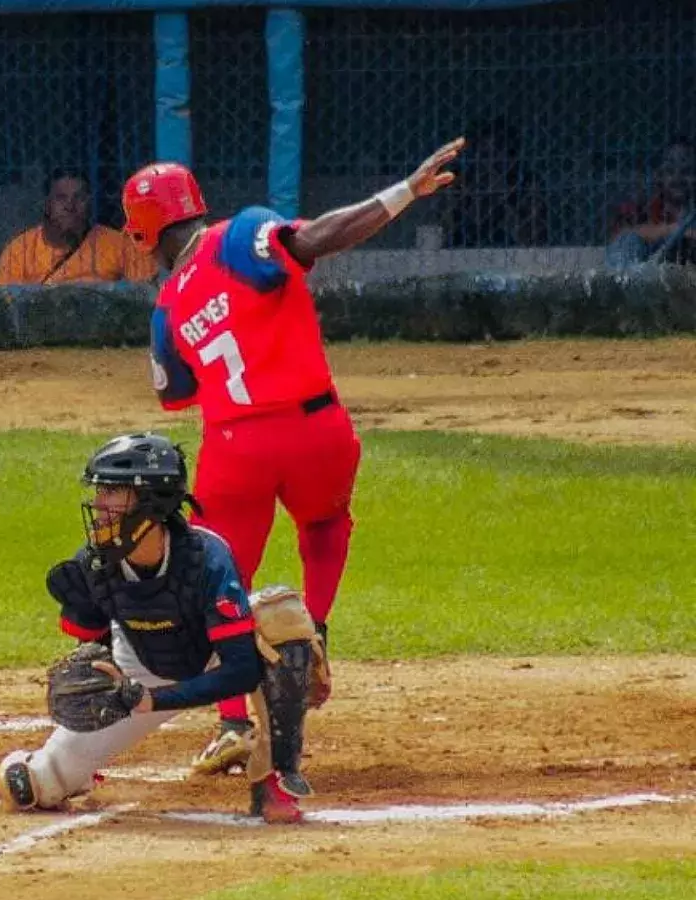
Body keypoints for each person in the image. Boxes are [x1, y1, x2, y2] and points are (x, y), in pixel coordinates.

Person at [119, 137, 464, 775]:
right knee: (326, 526)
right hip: (315, 431)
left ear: (143, 234)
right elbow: (312, 241)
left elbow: (174, 391)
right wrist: (403, 193)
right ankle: (317, 633)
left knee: (221, 582)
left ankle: (232, 725)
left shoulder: (167, 306)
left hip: (235, 446)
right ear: (195, 205)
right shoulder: (238, 234)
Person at [0, 432, 320, 823]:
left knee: (282, 619)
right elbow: (93, 644)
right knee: (27, 786)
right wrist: (106, 697)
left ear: (150, 502)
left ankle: (274, 778)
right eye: (100, 491)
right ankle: (71, 771)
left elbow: (241, 670)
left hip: (212, 658)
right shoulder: (93, 565)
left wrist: (152, 700)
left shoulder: (207, 560)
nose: (98, 504)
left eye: (112, 492)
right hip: (140, 670)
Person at [0, 167, 158, 286]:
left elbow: (147, 294)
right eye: (61, 198)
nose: (70, 206)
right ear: (47, 205)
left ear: (89, 203)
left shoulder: (119, 245)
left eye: (79, 197)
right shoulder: (19, 251)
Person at [438, 118, 546, 248]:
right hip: (464, 247)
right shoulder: (461, 181)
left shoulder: (524, 181)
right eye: (484, 155)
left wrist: (504, 195)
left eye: (496, 154)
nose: (489, 162)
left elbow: (534, 233)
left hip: (512, 249)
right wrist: (473, 195)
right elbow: (444, 223)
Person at [607, 139, 696, 267]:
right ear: (659, 175)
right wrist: (673, 230)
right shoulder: (644, 208)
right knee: (628, 241)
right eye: (671, 171)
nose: (678, 178)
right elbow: (619, 237)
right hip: (650, 268)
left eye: (686, 171)